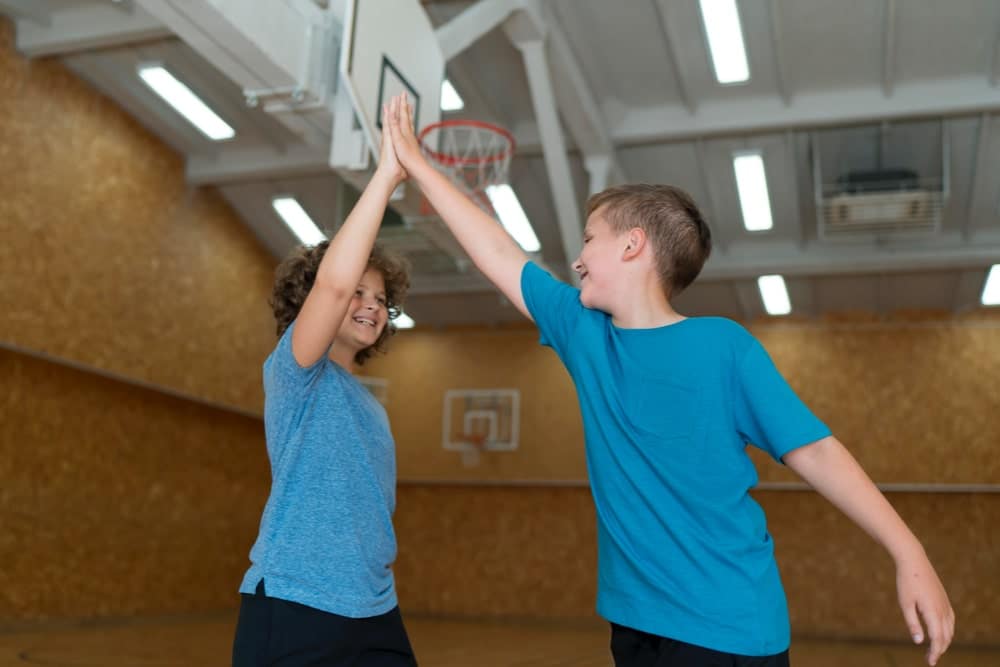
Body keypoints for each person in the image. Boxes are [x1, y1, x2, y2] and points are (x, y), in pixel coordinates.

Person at [383, 96, 954, 666]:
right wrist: (416, 163)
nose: (577, 259)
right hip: (634, 627)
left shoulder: (723, 347)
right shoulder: (586, 336)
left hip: (728, 628)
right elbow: (498, 251)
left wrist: (909, 550)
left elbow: (819, 454)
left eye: (588, 239)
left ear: (632, 245)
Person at [232, 95, 417, 667]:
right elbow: (331, 288)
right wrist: (387, 175)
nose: (370, 305)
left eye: (381, 298)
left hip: (372, 607)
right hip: (296, 605)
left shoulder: (372, 409)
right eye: (356, 293)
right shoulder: (294, 374)